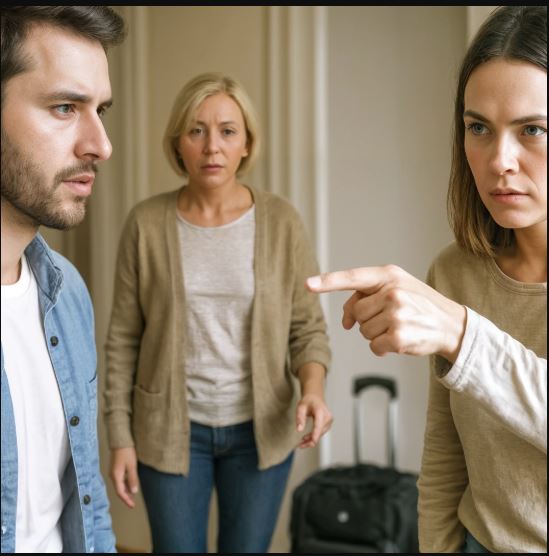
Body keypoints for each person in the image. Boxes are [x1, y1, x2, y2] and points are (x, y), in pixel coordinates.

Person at [306, 5, 546, 554]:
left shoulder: (452, 317)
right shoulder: (455, 272)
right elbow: (444, 455)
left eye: (533, 129)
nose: (499, 161)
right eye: (478, 128)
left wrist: (463, 335)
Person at [103, 72, 332, 553]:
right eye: (196, 130)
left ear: (246, 143)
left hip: (261, 432)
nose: (212, 146)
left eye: (228, 131)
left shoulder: (282, 222)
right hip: (169, 432)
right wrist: (120, 439)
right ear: (178, 143)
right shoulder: (146, 224)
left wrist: (312, 391)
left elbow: (307, 329)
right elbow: (122, 341)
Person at [0, 7, 126, 554]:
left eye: (101, 110)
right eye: (65, 108)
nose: (101, 145)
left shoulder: (67, 291)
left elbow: (85, 498)